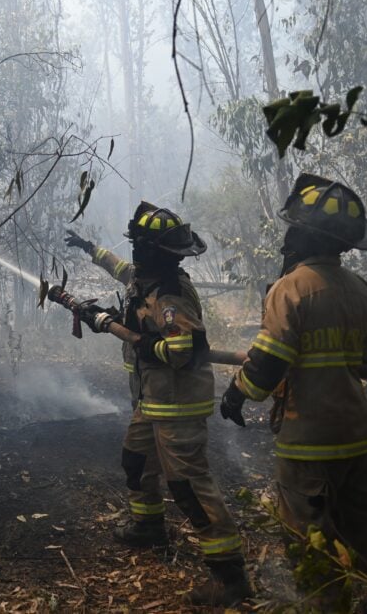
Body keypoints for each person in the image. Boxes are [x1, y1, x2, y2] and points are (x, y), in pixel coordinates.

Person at [219, 173, 367, 613]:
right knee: (366, 531)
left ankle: (328, 605)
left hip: (309, 444)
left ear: (303, 235)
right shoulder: (361, 289)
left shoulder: (292, 288)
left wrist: (235, 393)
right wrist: (347, 355)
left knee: (309, 542)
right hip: (357, 436)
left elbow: (267, 364)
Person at [66, 203, 251, 607]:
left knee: (188, 485)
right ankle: (148, 527)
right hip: (152, 401)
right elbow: (117, 268)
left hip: (178, 405)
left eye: (141, 247)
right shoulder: (145, 282)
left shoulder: (169, 296)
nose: (134, 254)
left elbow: (182, 350)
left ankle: (230, 575)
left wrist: (136, 337)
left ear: (157, 252)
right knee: (136, 460)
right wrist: (88, 248)